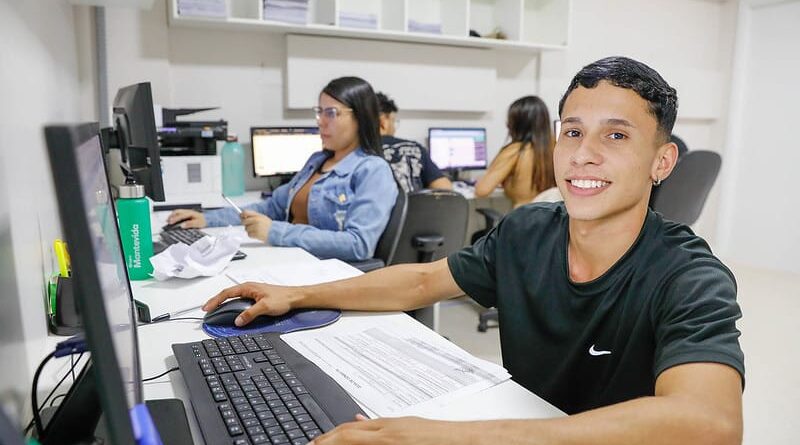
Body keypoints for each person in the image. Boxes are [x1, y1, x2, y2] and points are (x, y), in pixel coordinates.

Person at [202, 57, 745, 444]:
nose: (584, 156)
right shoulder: (528, 230)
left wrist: (457, 438)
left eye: (617, 136)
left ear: (662, 162)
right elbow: (419, 283)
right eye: (572, 132)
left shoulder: (690, 275)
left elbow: (710, 424)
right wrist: (296, 294)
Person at [166, 77, 398, 262]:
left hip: (325, 272)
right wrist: (207, 219)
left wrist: (274, 232)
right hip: (290, 258)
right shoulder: (317, 161)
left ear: (361, 118)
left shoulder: (373, 171)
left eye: (331, 113)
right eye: (320, 111)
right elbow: (272, 206)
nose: (321, 121)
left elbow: (359, 245)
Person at [474, 95, 557, 208]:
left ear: (517, 124)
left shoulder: (515, 151)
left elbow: (482, 191)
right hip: (553, 219)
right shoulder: (556, 148)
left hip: (524, 220)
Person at [376, 92, 453, 192]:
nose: (394, 127)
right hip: (417, 207)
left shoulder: (359, 151)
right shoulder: (416, 148)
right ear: (383, 122)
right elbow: (445, 188)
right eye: (393, 121)